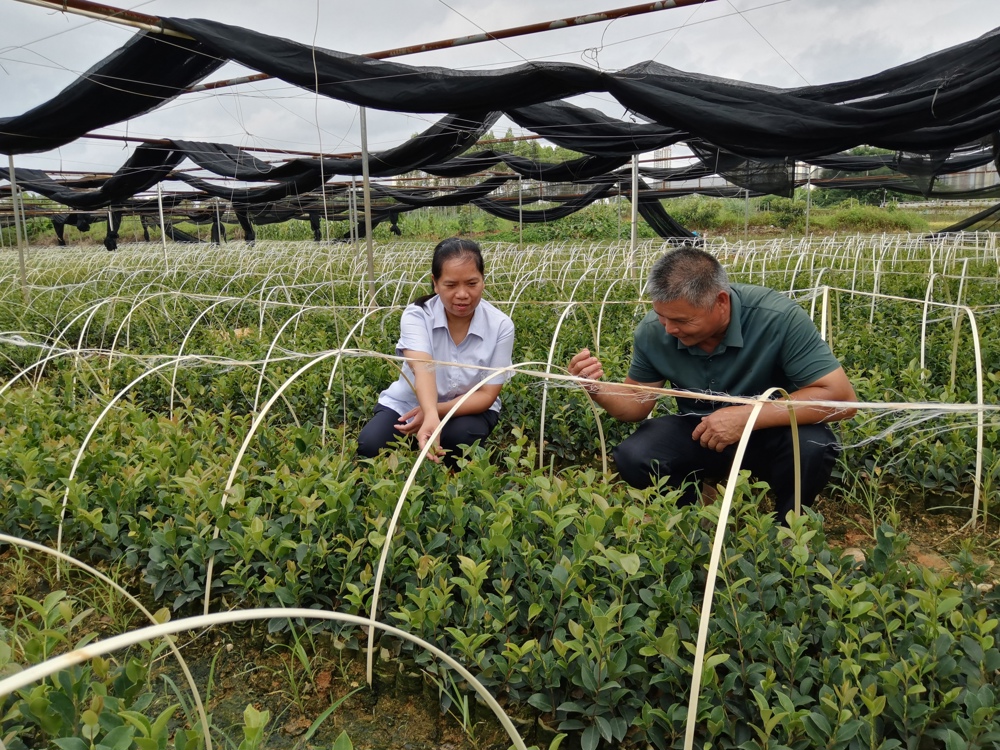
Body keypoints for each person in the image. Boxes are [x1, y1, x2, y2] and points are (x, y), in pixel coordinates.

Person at [568, 245, 857, 519]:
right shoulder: (653, 332)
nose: (669, 329)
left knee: (812, 445)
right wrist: (596, 389)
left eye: (682, 320)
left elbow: (841, 399)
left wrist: (747, 416)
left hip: (774, 428)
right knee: (636, 454)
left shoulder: (778, 318)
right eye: (661, 317)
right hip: (700, 431)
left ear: (721, 302)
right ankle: (692, 520)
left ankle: (788, 531)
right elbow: (634, 404)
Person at [357, 237, 514, 465]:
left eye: (472, 283)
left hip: (467, 408)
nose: (462, 294)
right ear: (435, 283)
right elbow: (423, 366)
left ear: (483, 281)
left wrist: (433, 411)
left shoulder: (500, 325)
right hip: (409, 403)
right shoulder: (417, 315)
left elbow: (487, 394)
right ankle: (419, 435)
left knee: (458, 439)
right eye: (451, 285)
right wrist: (428, 412)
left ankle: (431, 443)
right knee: (370, 446)